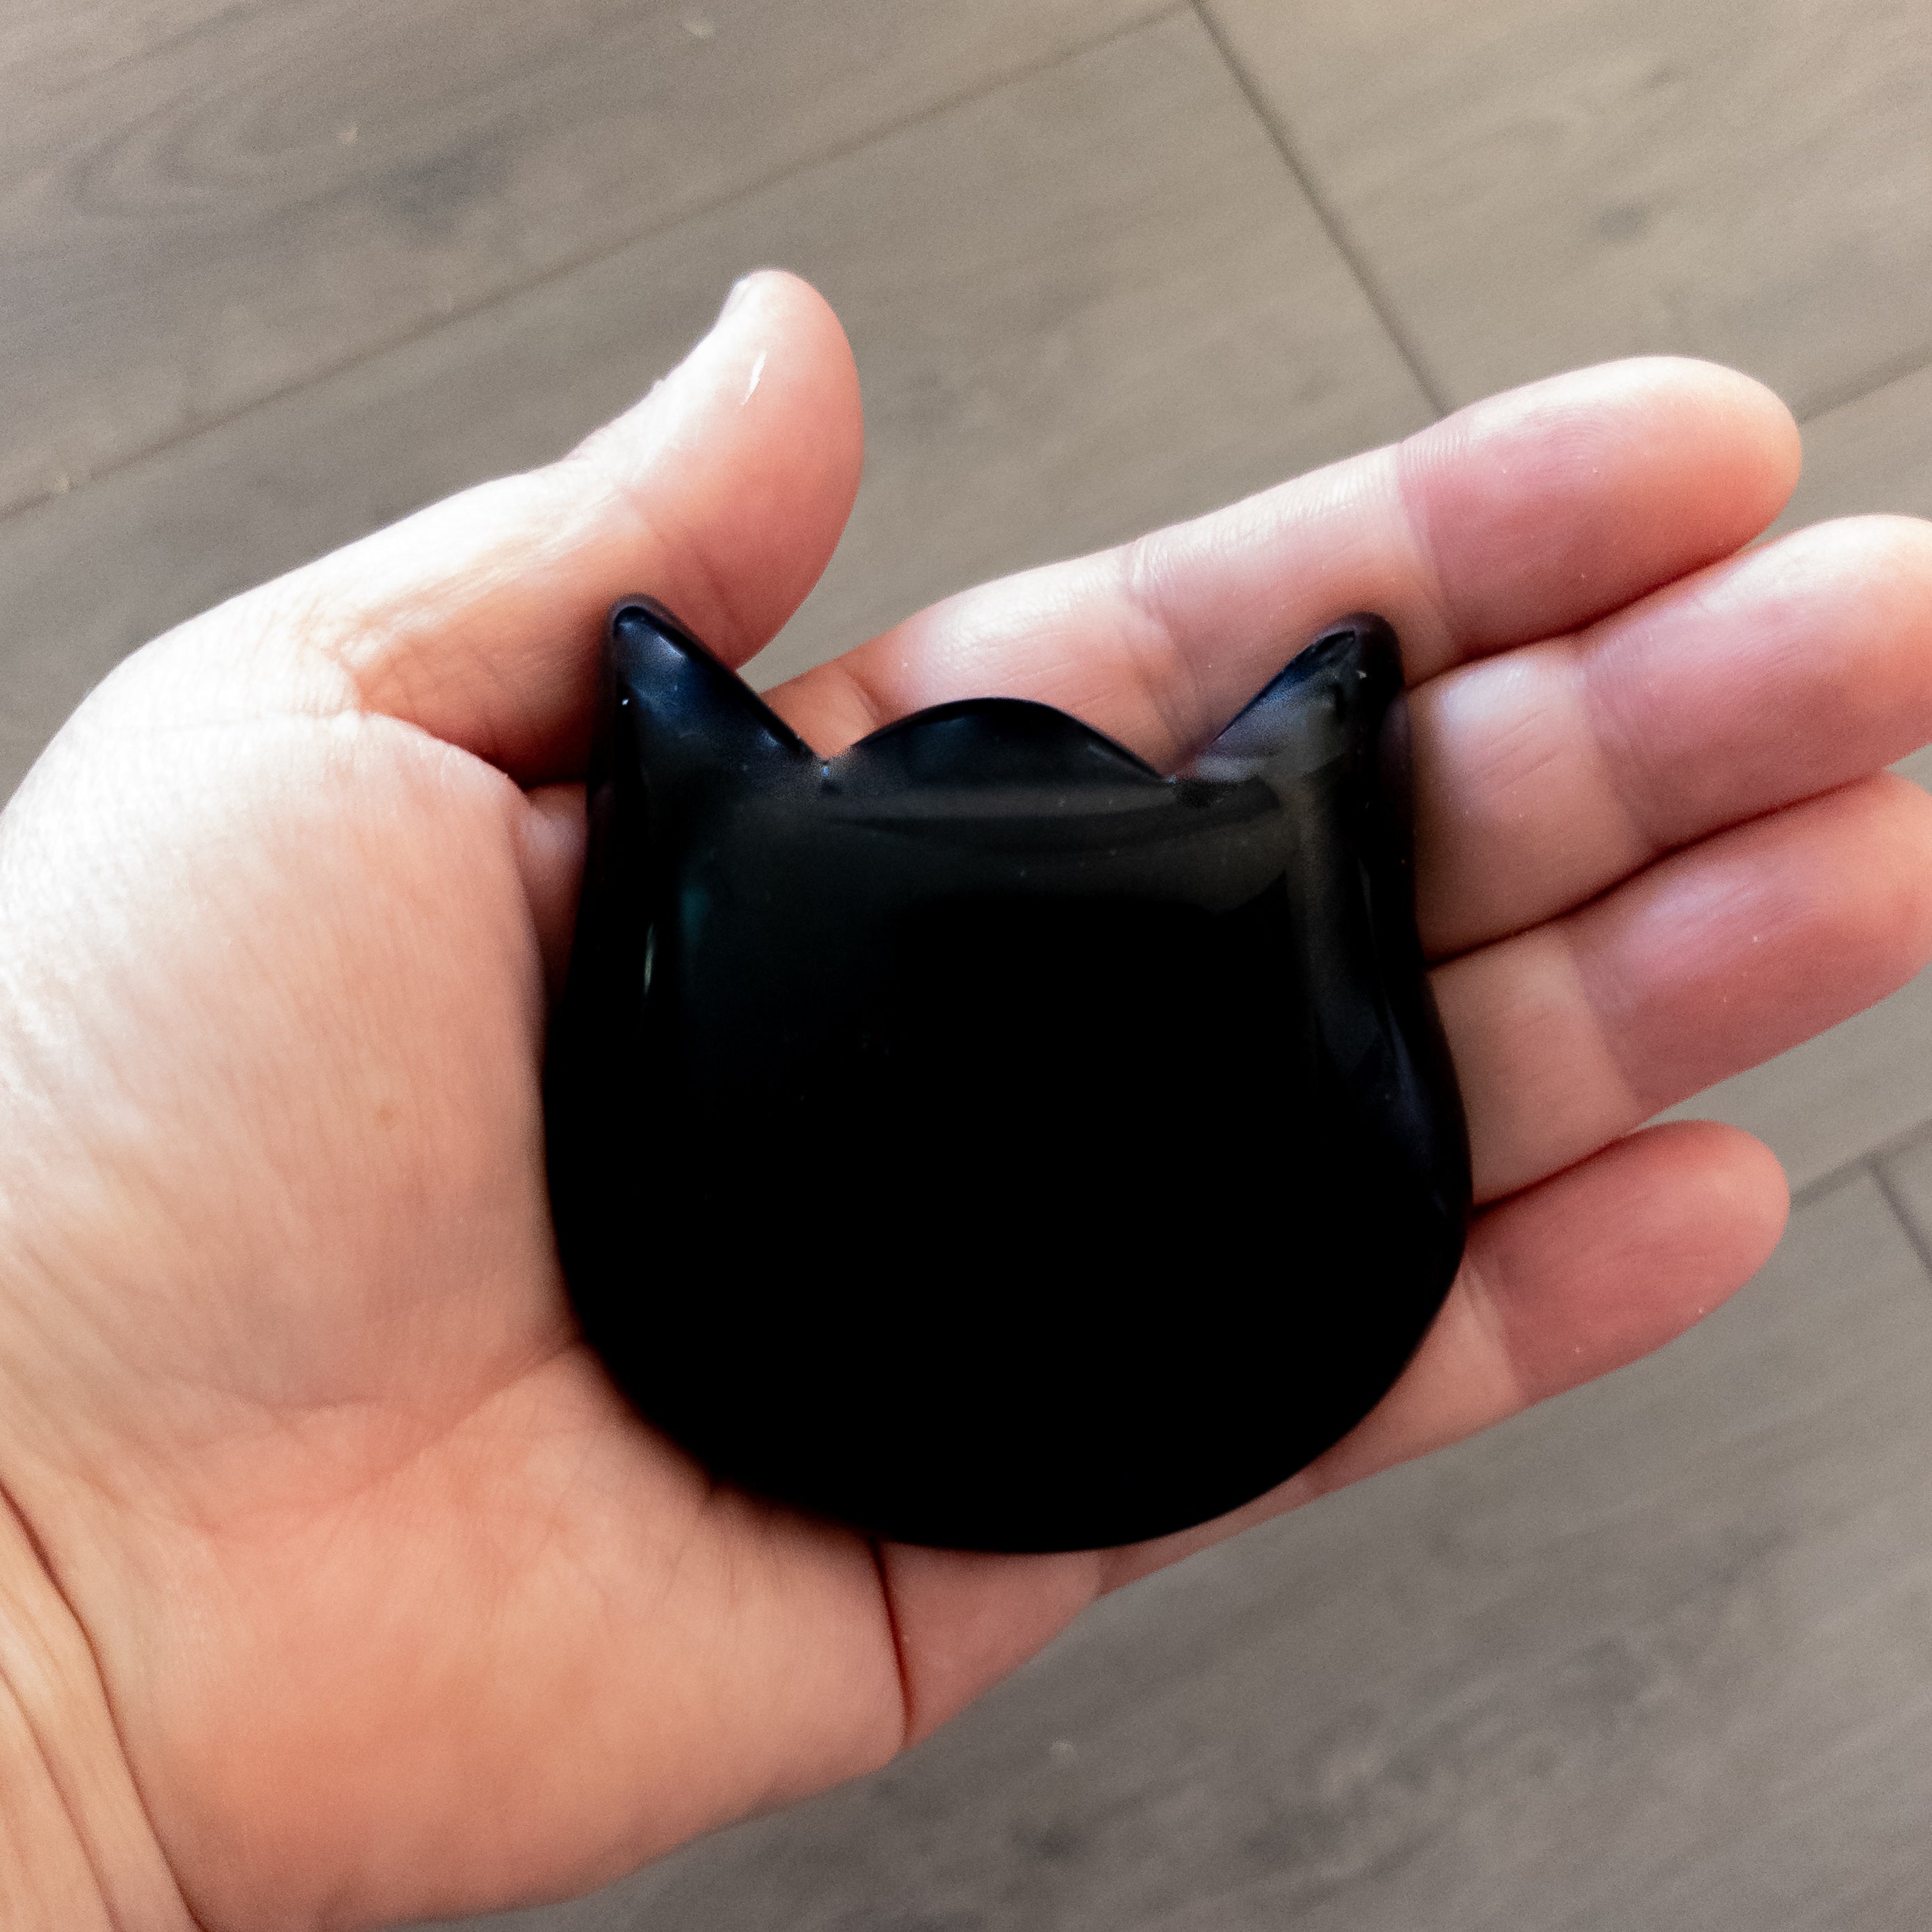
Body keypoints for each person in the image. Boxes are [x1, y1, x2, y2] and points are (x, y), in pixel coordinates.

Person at [1, 270, 1928, 1932]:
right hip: (1131, 1335)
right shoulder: (1263, 848)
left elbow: (659, 694)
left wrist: (75, 1638)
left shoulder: (716, 831)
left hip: (811, 1341)